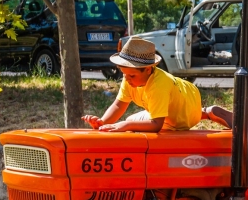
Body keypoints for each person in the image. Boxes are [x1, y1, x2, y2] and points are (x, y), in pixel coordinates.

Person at [82, 37, 233, 132]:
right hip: (182, 106)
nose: (126, 79)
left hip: (181, 116)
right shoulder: (129, 78)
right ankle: (205, 112)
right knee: (129, 121)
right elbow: (118, 105)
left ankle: (205, 112)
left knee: (129, 124)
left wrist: (126, 126)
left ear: (148, 69)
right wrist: (102, 122)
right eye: (124, 74)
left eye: (131, 75)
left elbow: (156, 125)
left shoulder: (158, 85)